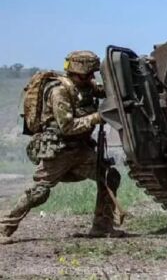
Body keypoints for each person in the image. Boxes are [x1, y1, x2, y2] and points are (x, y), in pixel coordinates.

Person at [0, 51, 124, 244]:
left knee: (109, 177)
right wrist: (97, 118)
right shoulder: (59, 91)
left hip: (81, 150)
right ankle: (4, 227)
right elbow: (67, 127)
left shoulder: (86, 86)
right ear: (76, 72)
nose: (91, 78)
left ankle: (102, 226)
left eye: (93, 74)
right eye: (87, 74)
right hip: (59, 151)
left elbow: (107, 91)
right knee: (39, 192)